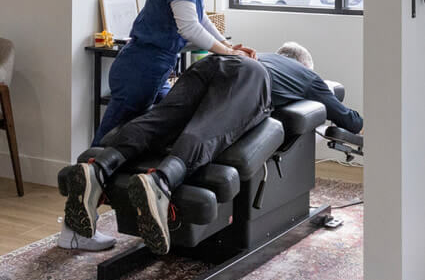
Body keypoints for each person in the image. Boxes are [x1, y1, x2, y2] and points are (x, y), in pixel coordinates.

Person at [59, 43, 363, 253]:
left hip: (213, 63)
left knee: (160, 119)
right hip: (248, 78)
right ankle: (160, 182)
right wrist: (367, 126)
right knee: (210, 130)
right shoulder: (310, 78)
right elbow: (346, 118)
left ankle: (98, 168)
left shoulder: (265, 55)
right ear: (304, 65)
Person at [91, 0, 256, 146]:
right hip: (141, 69)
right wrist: (226, 53)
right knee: (111, 139)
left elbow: (200, 19)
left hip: (157, 68)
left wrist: (228, 46)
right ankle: (84, 177)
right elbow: (189, 27)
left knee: (166, 125)